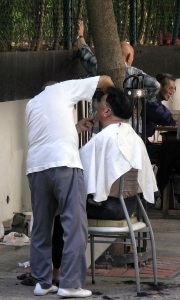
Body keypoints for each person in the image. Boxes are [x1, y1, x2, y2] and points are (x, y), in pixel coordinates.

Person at [25, 75, 114, 297]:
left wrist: (75, 127)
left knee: (41, 226)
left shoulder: (32, 103)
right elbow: (105, 78)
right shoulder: (63, 89)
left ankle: (42, 283)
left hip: (36, 167)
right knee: (74, 223)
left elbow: (50, 133)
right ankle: (70, 284)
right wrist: (110, 95)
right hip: (64, 163)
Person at [79, 87, 157, 218]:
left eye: (100, 102)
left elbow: (77, 166)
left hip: (108, 208)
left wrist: (75, 131)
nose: (97, 105)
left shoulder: (105, 137)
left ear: (106, 111)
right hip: (130, 206)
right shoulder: (134, 137)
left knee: (61, 206)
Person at [76, 19, 160, 102]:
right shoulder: (133, 73)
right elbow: (155, 85)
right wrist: (131, 95)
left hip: (101, 113)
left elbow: (86, 55)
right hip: (127, 114)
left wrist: (80, 35)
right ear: (129, 57)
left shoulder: (101, 66)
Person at [145, 73, 180, 208]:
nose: (172, 92)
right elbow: (168, 119)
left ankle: (167, 196)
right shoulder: (151, 102)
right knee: (173, 154)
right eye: (170, 88)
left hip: (145, 143)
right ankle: (169, 197)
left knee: (171, 151)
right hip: (141, 146)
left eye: (174, 89)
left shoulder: (155, 101)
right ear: (160, 86)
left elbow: (168, 115)